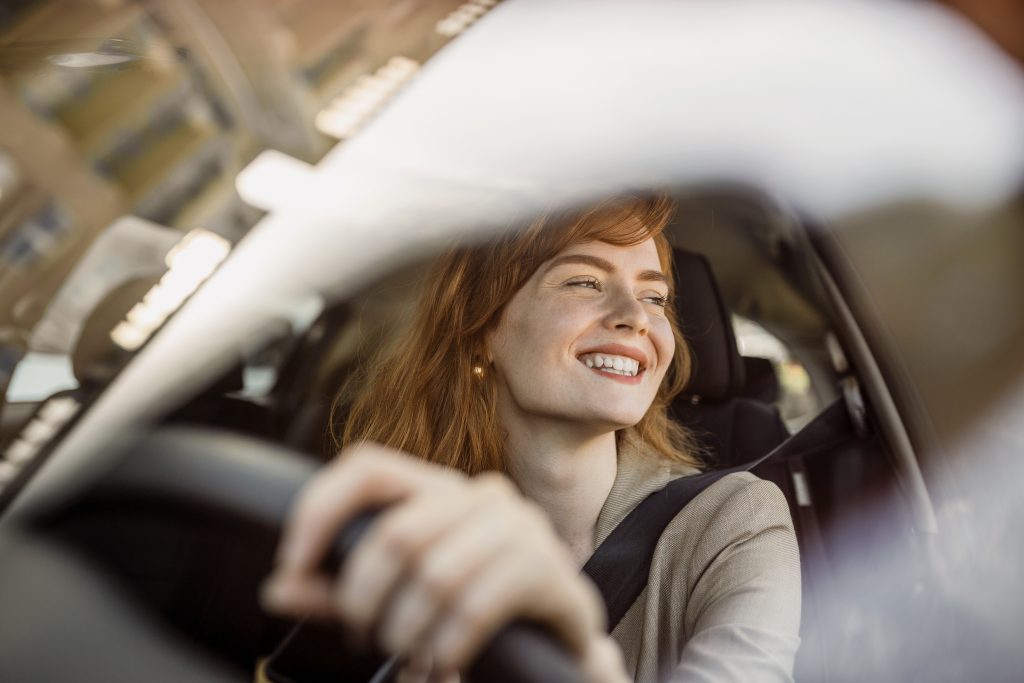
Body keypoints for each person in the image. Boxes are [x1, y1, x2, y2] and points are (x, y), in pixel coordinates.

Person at [261, 194, 801, 682]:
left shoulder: (737, 521)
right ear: (483, 334)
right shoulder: (402, 533)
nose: (636, 317)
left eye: (654, 297)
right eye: (584, 281)